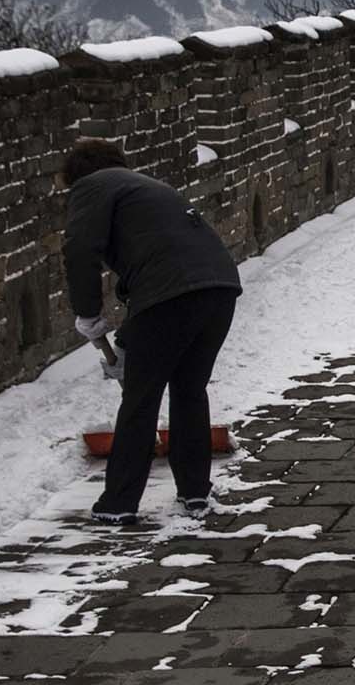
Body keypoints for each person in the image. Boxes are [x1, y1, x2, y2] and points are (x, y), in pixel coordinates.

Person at [61, 138, 241, 526]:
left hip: (170, 295)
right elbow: (155, 261)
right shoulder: (147, 188)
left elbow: (79, 249)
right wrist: (127, 342)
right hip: (220, 288)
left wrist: (88, 314)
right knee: (190, 390)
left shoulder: (93, 186)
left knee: (140, 400)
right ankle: (195, 494)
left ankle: (119, 503)